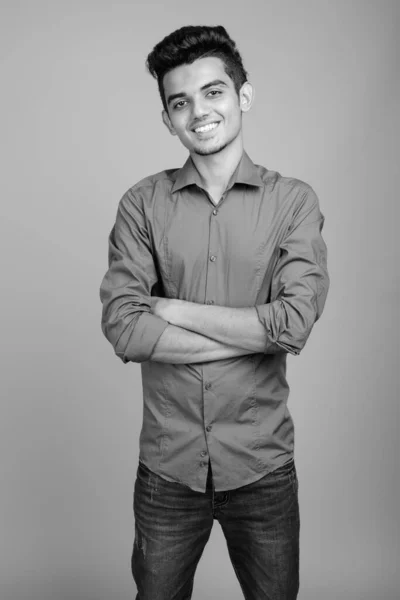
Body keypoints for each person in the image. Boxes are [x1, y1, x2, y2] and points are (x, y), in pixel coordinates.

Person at [99, 24, 329, 600]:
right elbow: (125, 327)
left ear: (242, 96)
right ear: (167, 119)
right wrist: (258, 333)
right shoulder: (141, 205)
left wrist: (173, 308)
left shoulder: (293, 202)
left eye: (213, 92)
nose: (198, 111)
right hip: (167, 470)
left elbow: (294, 323)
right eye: (180, 102)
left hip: (262, 466)